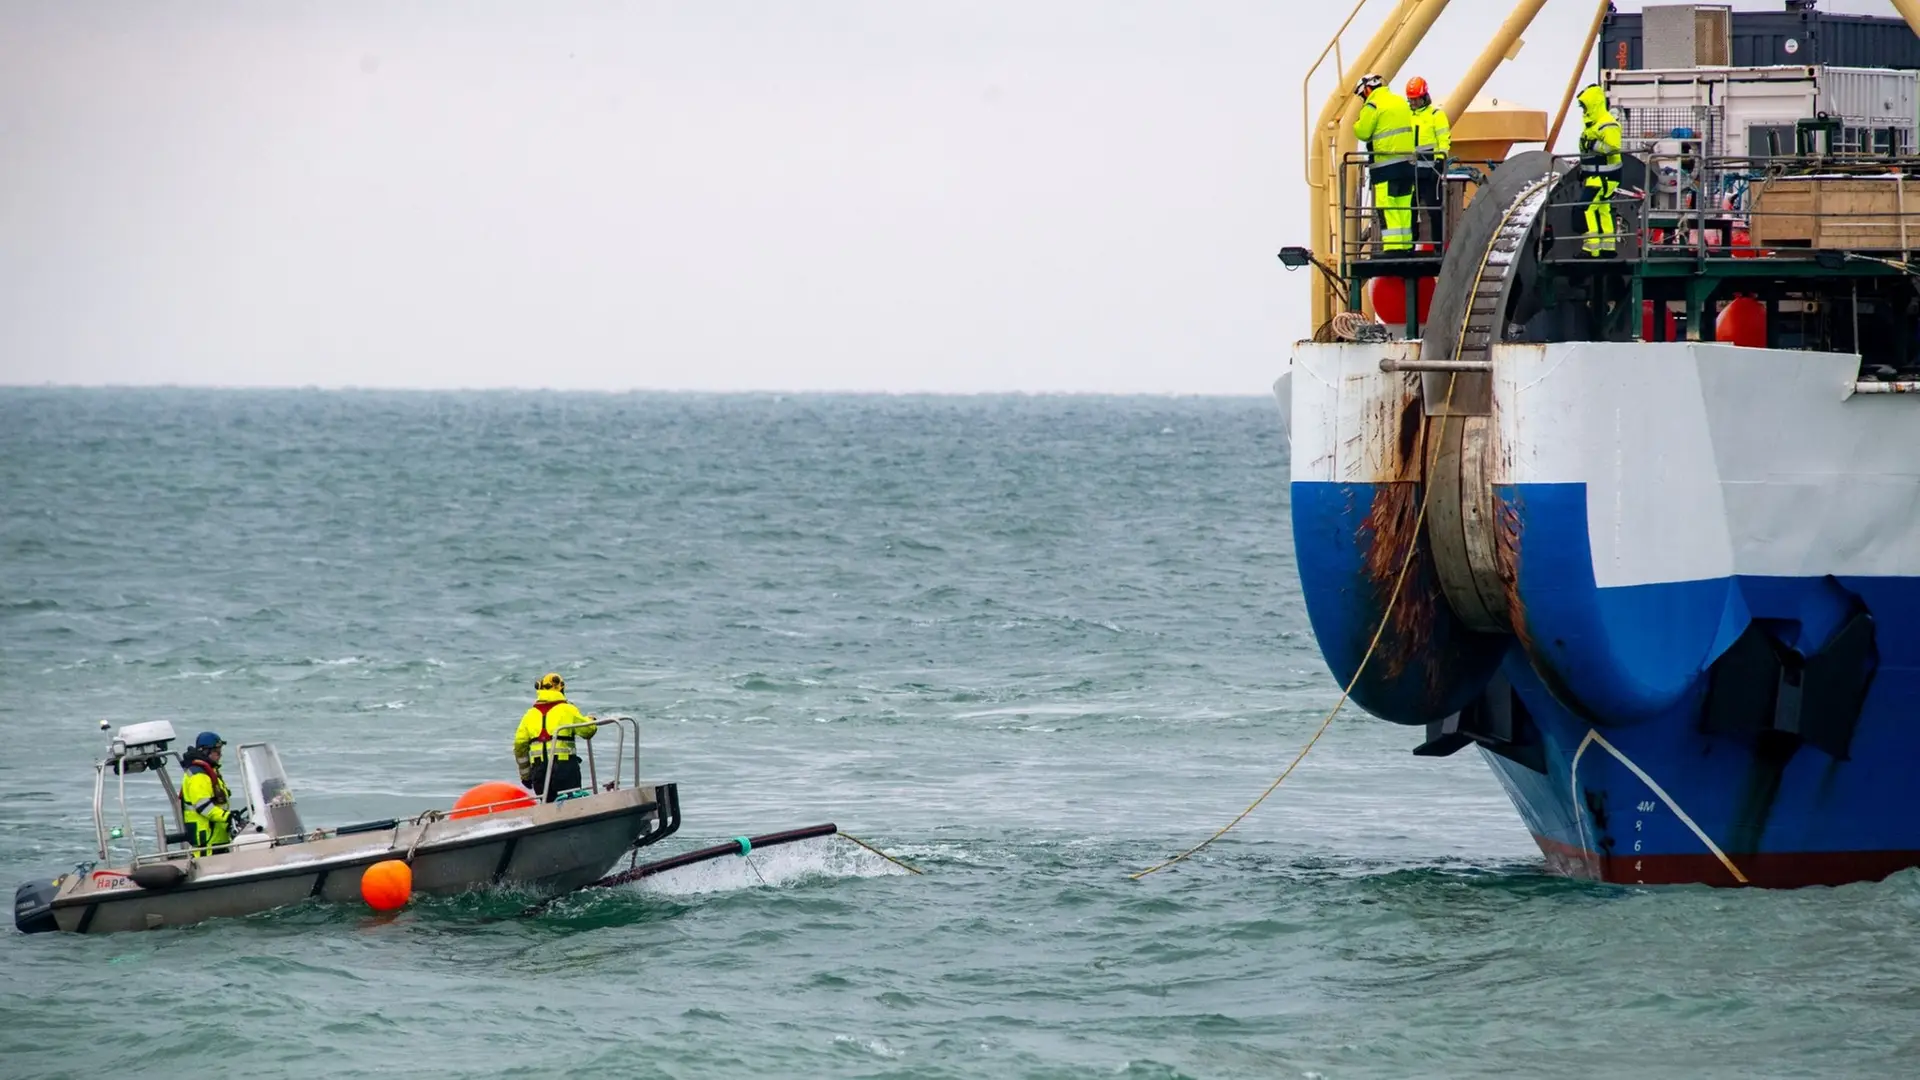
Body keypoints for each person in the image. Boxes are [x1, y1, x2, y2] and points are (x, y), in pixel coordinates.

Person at [1352, 73, 1417, 256]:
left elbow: (1362, 132)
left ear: (1367, 89)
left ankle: (1393, 247)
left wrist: (1357, 122)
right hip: (1407, 164)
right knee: (1404, 206)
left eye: (1361, 95)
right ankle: (1406, 246)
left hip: (1385, 166)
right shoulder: (1399, 102)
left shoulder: (1372, 105)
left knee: (1388, 207)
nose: (1362, 99)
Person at [514, 673, 599, 802]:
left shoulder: (529, 716)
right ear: (561, 688)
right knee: (572, 805)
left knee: (547, 807)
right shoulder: (568, 710)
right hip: (564, 770)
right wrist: (591, 720)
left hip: (539, 773)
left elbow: (519, 746)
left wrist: (526, 776)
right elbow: (587, 731)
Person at [1577, 83, 1622, 256]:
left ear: (1593, 104)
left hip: (1604, 176)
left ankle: (1591, 249)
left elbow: (1613, 148)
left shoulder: (1607, 125)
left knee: (1587, 208)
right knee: (1603, 209)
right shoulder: (1594, 124)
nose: (1582, 110)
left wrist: (1592, 144)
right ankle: (1607, 248)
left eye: (1584, 106)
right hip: (1596, 175)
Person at [1407, 76, 1451, 246]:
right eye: (1410, 100)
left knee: (1435, 209)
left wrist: (1440, 161)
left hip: (1430, 171)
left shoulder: (1436, 115)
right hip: (1411, 171)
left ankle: (1439, 246)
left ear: (1424, 97)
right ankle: (1409, 244)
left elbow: (1443, 140)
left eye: (1415, 99)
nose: (1413, 103)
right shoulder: (1406, 116)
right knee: (1408, 210)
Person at [179, 731, 239, 855]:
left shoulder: (209, 771)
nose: (220, 754)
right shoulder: (198, 775)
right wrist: (227, 816)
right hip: (207, 841)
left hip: (217, 837)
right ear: (205, 751)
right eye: (217, 751)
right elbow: (203, 807)